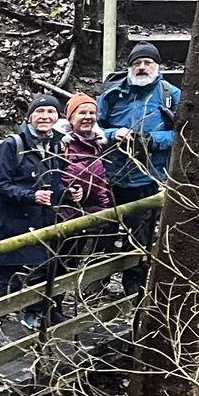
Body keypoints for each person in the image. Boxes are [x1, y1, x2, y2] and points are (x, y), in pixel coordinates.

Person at [0, 93, 65, 344]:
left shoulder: (56, 144)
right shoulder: (12, 145)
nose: (45, 117)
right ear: (30, 116)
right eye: (40, 112)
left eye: (51, 112)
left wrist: (68, 194)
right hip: (13, 224)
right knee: (7, 278)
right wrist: (31, 195)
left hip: (43, 222)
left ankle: (36, 315)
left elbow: (53, 184)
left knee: (41, 271)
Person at [97, 41, 180, 293]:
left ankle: (134, 286)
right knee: (104, 232)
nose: (142, 67)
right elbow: (93, 127)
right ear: (130, 67)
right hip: (111, 176)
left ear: (158, 66)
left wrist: (153, 141)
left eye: (148, 63)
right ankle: (95, 283)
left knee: (140, 235)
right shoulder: (112, 94)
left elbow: (182, 134)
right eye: (137, 63)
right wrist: (114, 134)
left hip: (148, 177)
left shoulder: (171, 95)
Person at [55, 92, 116, 287]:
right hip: (63, 214)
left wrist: (104, 210)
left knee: (73, 262)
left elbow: (100, 181)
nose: (88, 117)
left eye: (92, 112)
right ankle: (47, 308)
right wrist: (66, 196)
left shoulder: (97, 144)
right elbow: (51, 176)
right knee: (58, 263)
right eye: (82, 112)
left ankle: (60, 307)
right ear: (71, 117)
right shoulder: (60, 144)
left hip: (85, 213)